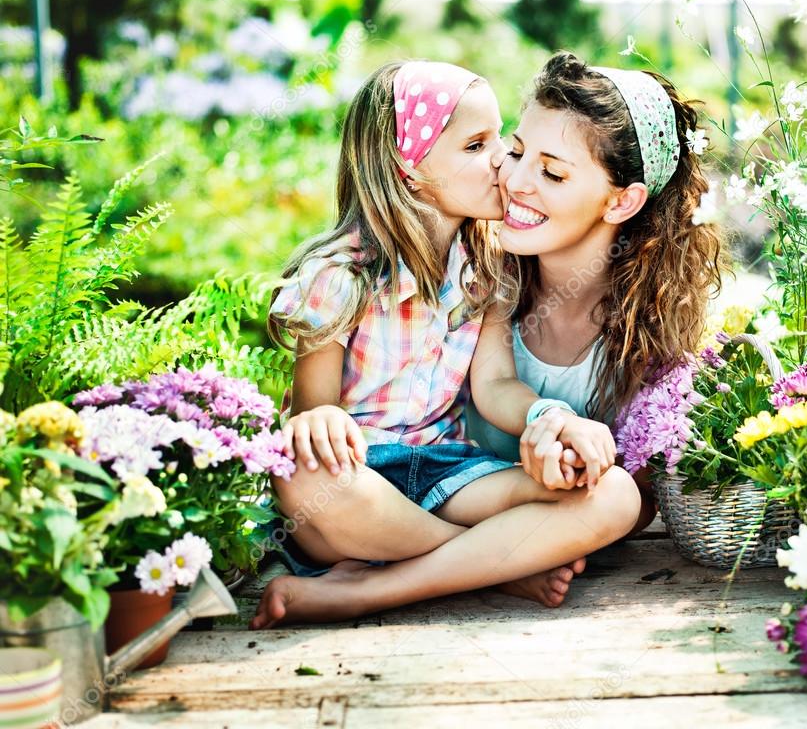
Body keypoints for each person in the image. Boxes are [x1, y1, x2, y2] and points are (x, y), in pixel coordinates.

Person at [252, 60, 640, 629]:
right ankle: (497, 567)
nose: (504, 163)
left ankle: (374, 587)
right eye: (477, 146)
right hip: (358, 477)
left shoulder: (486, 270)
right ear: (407, 170)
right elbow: (316, 410)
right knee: (298, 471)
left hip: (446, 472)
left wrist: (550, 418)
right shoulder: (339, 275)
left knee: (614, 495)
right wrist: (318, 420)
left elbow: (494, 386)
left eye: (498, 141)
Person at [468, 51, 725, 535]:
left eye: (553, 173)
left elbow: (643, 499)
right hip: (435, 502)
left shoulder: (652, 327)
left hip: (546, 533)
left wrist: (571, 464)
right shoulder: (480, 275)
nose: (515, 182)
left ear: (621, 201)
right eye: (517, 152)